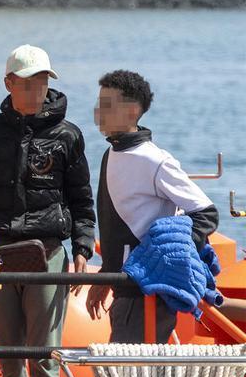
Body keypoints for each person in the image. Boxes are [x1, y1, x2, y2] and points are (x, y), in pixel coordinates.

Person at [0, 45, 95, 377]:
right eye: (30, 81)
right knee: (9, 362)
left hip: (49, 252)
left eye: (44, 80)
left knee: (44, 359)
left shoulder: (68, 135)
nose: (38, 88)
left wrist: (82, 246)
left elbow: (81, 198)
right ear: (9, 84)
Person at [87, 70, 218, 343]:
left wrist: (167, 257)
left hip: (146, 294)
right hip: (123, 289)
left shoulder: (155, 160)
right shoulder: (110, 154)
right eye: (99, 103)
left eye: (107, 104)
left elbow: (205, 212)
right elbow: (120, 225)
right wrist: (105, 275)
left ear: (133, 110)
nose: (99, 111)